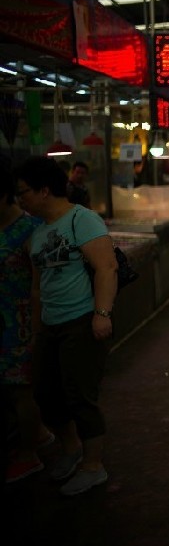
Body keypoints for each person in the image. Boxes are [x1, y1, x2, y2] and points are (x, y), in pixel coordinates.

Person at [15, 156, 118, 496]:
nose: (20, 200)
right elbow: (37, 285)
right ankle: (71, 449)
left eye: (24, 193)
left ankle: (93, 466)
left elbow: (106, 268)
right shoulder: (38, 231)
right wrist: (35, 328)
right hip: (50, 325)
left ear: (44, 191)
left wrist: (101, 313)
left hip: (81, 320)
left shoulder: (82, 219)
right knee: (46, 393)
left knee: (80, 397)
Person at [1, 157, 53, 483]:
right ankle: (38, 435)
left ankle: (28, 453)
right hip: (3, 321)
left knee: (23, 390)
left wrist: (36, 330)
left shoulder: (32, 230)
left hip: (22, 322)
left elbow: (40, 286)